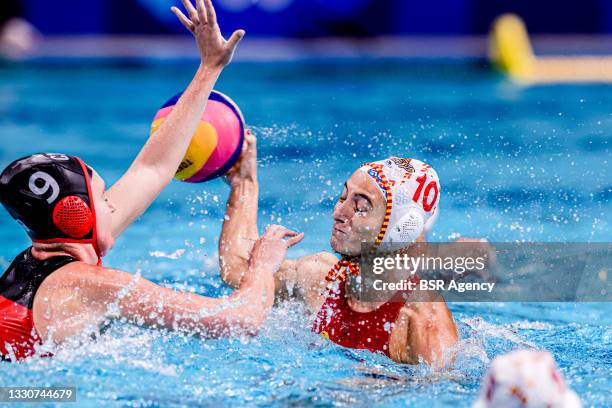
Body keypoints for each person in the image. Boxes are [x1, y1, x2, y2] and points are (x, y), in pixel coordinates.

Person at [0, 0, 302, 362]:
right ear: (74, 213)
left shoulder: (41, 257)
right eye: (103, 197)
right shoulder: (86, 283)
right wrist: (263, 265)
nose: (113, 203)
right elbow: (239, 320)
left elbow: (152, 169)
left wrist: (209, 68)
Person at [219, 133, 476, 365]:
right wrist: (244, 183)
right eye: (343, 197)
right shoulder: (320, 277)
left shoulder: (421, 322)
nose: (338, 213)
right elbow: (237, 268)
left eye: (360, 206)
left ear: (400, 228)